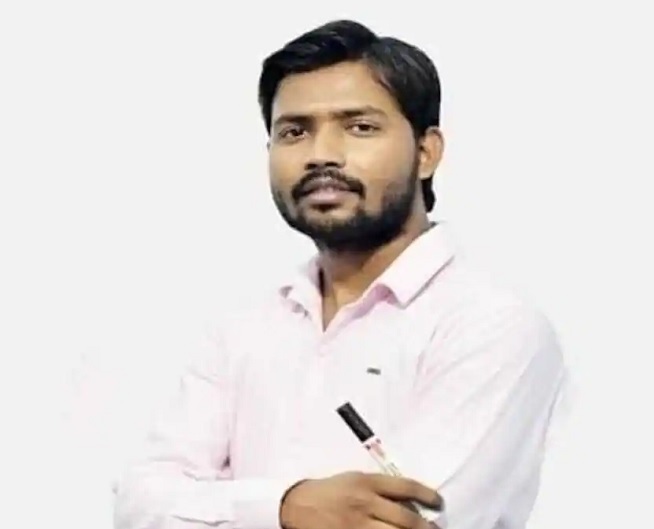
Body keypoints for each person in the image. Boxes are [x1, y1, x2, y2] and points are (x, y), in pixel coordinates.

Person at [113, 19, 569, 529]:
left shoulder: (491, 327)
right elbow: (139, 504)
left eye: (360, 127)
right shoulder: (244, 330)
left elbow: (401, 521)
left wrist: (218, 507)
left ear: (426, 152)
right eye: (294, 131)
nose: (321, 155)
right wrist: (286, 507)